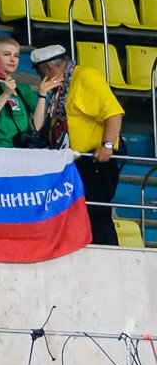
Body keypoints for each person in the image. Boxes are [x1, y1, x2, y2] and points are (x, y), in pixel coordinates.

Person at [31, 43, 125, 247]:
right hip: (71, 162)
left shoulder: (85, 77)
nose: (41, 77)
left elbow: (113, 113)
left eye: (40, 72)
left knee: (96, 214)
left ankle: (106, 254)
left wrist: (107, 146)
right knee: (76, 215)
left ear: (49, 68)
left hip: (92, 160)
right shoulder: (60, 88)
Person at [0, 35, 45, 149]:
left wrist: (42, 95)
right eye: (6, 54)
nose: (12, 59)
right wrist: (6, 94)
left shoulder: (24, 89)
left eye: (16, 55)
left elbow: (36, 126)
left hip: (21, 148)